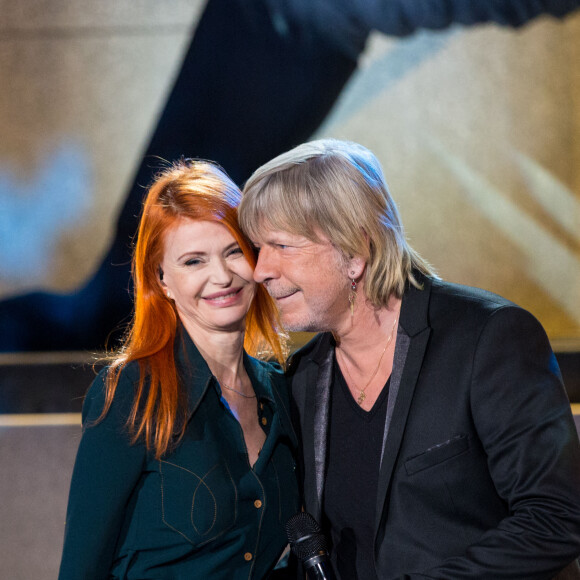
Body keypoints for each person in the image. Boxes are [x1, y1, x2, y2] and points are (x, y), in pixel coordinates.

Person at [238, 139, 580, 579]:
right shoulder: (302, 376)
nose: (260, 269)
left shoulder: (488, 337)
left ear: (355, 251)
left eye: (281, 246)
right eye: (258, 249)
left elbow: (555, 517)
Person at [58, 159, 299, 580]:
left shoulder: (283, 391)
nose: (221, 276)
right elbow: (82, 566)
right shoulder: (130, 392)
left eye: (232, 252)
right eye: (194, 261)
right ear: (162, 279)